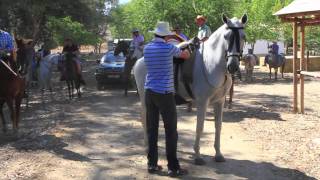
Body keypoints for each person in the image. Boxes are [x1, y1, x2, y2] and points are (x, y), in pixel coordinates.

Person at [144, 21, 190, 177]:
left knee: (152, 129)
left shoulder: (147, 48)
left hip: (149, 92)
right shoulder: (170, 48)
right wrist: (186, 47)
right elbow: (185, 55)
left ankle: (152, 165)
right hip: (165, 94)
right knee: (171, 131)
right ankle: (173, 167)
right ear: (166, 35)